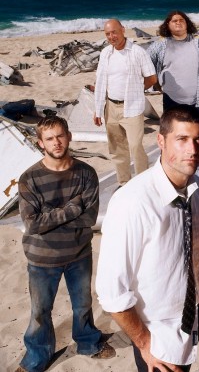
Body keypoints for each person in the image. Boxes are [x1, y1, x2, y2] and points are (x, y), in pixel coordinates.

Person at [96, 106, 199, 372]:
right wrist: (144, 344)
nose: (192, 149)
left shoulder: (197, 179)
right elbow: (111, 292)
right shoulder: (132, 202)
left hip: (193, 312)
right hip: (157, 332)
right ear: (161, 141)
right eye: (182, 139)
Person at [16, 116, 115, 372]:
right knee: (40, 311)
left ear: (69, 136)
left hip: (79, 254)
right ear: (40, 143)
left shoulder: (86, 173)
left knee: (82, 305)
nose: (56, 142)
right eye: (49, 138)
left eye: (60, 136)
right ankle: (37, 357)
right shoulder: (29, 179)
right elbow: (33, 224)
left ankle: (87, 343)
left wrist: (50, 218)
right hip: (42, 257)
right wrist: (72, 208)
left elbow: (89, 218)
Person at [147, 10, 199, 180]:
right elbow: (146, 64)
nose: (178, 22)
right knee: (174, 135)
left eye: (181, 20)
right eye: (174, 20)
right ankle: (174, 166)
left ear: (187, 23)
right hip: (172, 100)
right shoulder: (160, 45)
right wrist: (156, 83)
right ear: (167, 25)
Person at [94, 18, 157, 186]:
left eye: (114, 32)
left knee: (135, 146)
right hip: (111, 107)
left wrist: (137, 90)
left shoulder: (138, 52)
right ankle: (124, 183)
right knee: (117, 148)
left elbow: (152, 78)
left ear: (123, 30)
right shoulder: (105, 53)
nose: (111, 36)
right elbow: (100, 82)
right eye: (108, 34)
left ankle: (143, 183)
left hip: (132, 106)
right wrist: (98, 109)